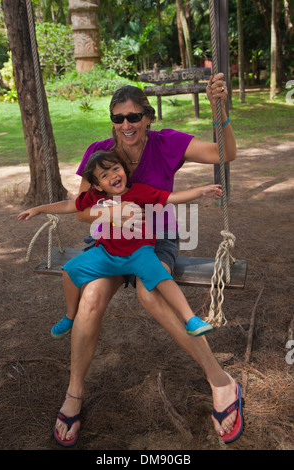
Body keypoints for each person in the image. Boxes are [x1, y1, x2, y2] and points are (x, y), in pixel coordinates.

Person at [46, 73, 243, 446]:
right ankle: (74, 393)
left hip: (157, 236)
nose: (126, 125)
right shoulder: (100, 152)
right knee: (90, 298)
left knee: (151, 294)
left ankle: (221, 381)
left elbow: (226, 153)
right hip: (110, 239)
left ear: (148, 118)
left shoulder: (168, 143)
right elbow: (83, 212)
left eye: (134, 117)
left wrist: (219, 107)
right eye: (118, 118)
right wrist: (110, 214)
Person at [18, 149, 223, 340]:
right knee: (69, 270)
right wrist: (40, 209)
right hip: (107, 253)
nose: (113, 175)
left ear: (124, 170)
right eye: (104, 175)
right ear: (97, 185)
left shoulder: (141, 192)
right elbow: (70, 205)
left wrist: (201, 191)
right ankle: (70, 316)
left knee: (162, 277)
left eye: (116, 169)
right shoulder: (96, 197)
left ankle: (190, 319)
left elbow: (172, 197)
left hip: (140, 253)